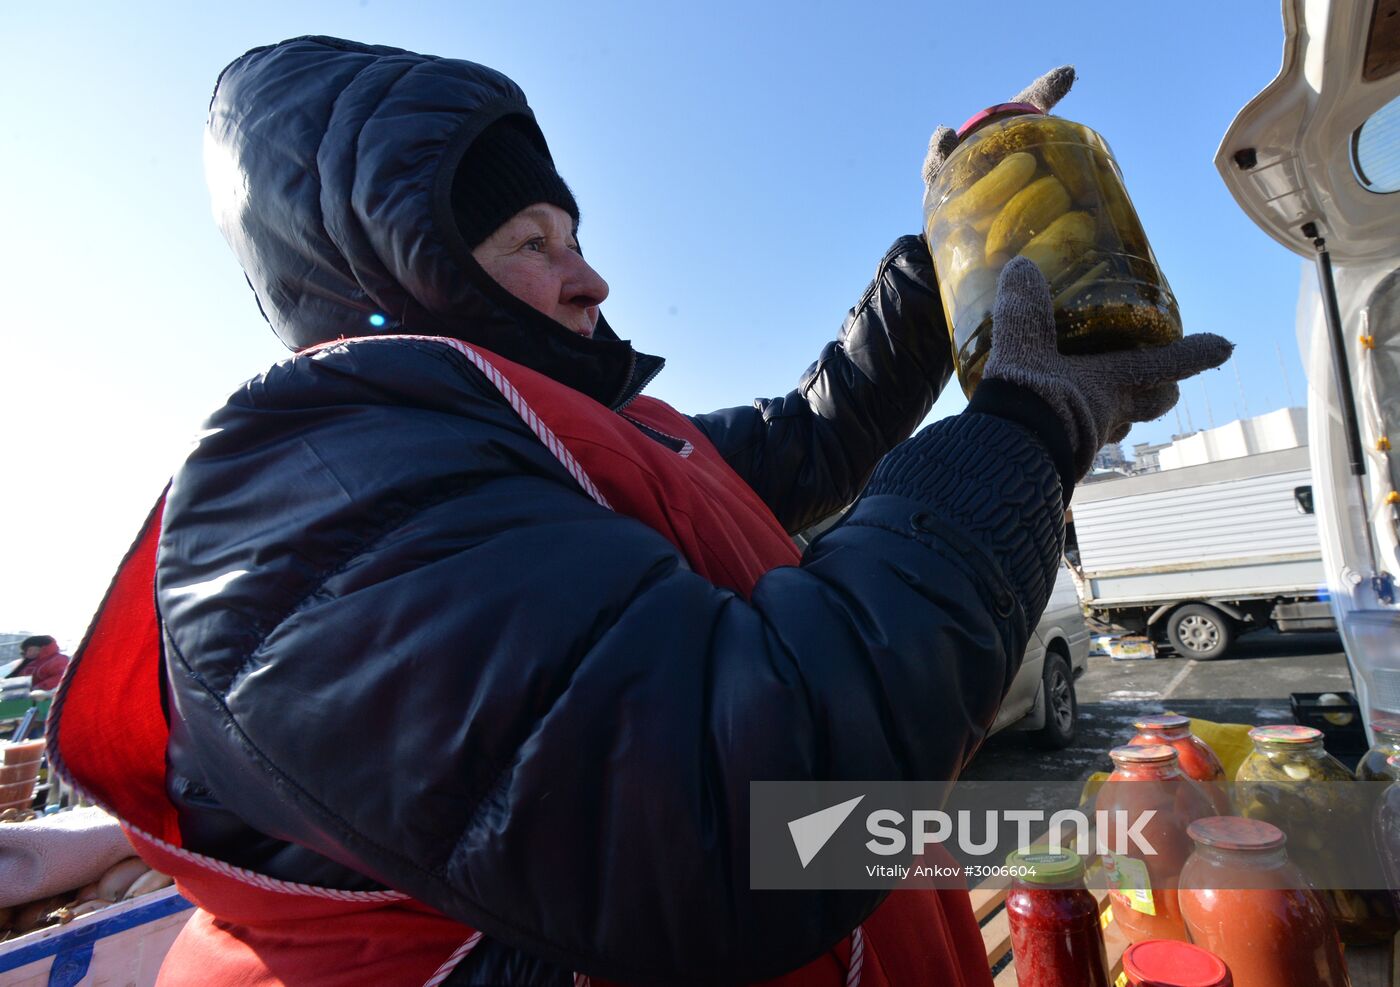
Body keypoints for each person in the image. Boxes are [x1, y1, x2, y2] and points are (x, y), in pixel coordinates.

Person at [51, 37, 1229, 986]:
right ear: (403, 269)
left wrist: (948, 239)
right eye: (531, 241)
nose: (592, 277)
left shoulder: (588, 441)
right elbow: (748, 811)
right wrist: (1023, 431)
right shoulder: (317, 482)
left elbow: (817, 433)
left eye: (574, 235)